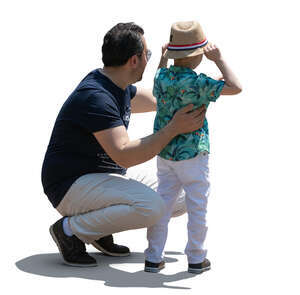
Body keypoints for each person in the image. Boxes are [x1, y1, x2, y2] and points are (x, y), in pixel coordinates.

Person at [41, 22, 207, 267]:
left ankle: (94, 229)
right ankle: (70, 230)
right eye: (147, 55)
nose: (149, 59)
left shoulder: (116, 86)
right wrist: (174, 128)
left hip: (95, 177)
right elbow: (125, 156)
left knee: (179, 198)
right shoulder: (96, 97)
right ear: (134, 60)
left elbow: (156, 100)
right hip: (69, 185)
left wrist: (187, 87)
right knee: (154, 207)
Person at [144, 21, 242, 274]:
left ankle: (153, 257)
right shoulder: (200, 83)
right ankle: (196, 257)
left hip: (165, 152)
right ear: (199, 56)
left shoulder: (162, 76)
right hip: (192, 154)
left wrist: (164, 58)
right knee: (197, 205)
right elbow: (236, 87)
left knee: (162, 204)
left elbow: (158, 82)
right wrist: (219, 60)